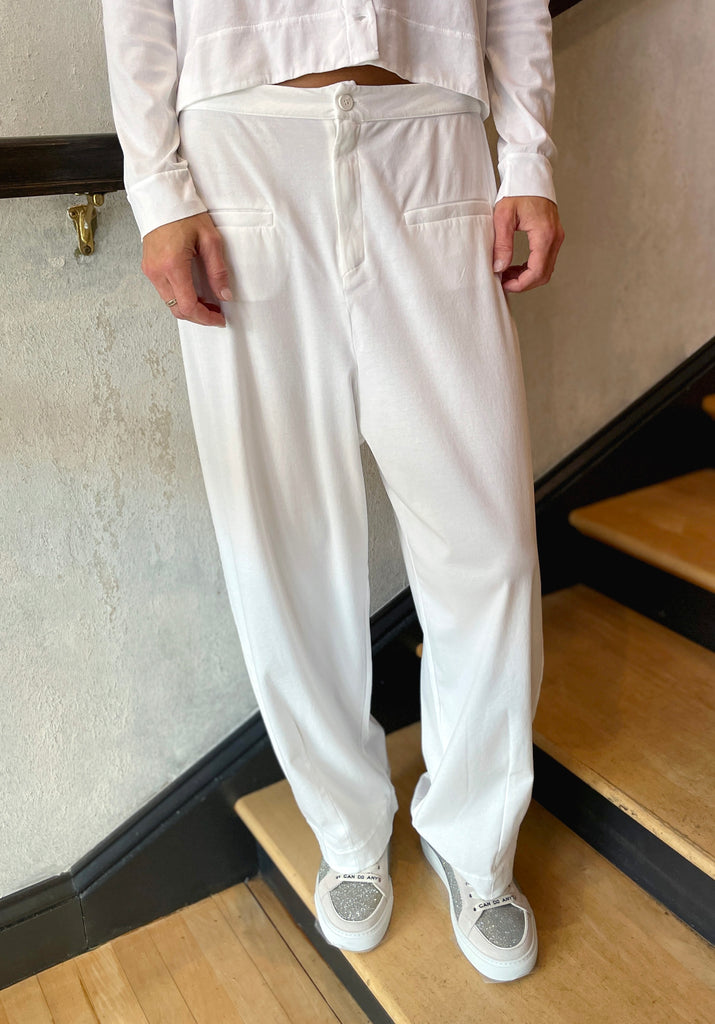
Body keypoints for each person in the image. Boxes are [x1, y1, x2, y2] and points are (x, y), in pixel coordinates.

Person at [100, 1, 564, 983]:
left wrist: (527, 156)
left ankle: (474, 840)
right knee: (282, 545)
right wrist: (156, 183)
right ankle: (348, 830)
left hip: (430, 133)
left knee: (486, 545)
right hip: (241, 148)